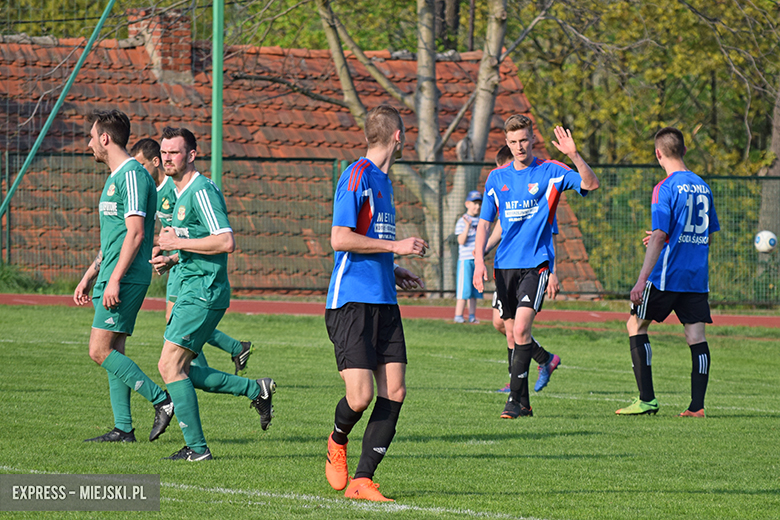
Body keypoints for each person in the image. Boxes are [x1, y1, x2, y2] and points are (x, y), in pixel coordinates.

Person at [151, 127, 276, 461]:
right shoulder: (178, 193)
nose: (167, 158)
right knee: (182, 370)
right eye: (164, 152)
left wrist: (178, 243)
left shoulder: (201, 190)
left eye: (174, 152)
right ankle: (255, 390)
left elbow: (225, 242)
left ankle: (198, 449)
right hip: (191, 286)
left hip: (203, 292)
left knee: (169, 366)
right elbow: (202, 243)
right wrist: (174, 258)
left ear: (191, 155)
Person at [324, 104, 426, 502]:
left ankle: (363, 480)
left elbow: (369, 242)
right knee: (360, 397)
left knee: (395, 390)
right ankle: (336, 440)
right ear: (397, 136)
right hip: (351, 301)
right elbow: (340, 238)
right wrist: (395, 246)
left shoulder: (384, 181)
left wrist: (393, 266)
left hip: (384, 300)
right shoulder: (357, 176)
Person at [474, 115, 599, 418]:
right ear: (507, 143)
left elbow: (590, 183)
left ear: (532, 139)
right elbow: (485, 223)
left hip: (536, 265)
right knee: (509, 331)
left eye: (524, 140)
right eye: (513, 142)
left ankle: (514, 403)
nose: (519, 147)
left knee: (520, 329)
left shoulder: (551, 172)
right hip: (504, 266)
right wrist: (478, 260)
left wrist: (573, 154)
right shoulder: (497, 179)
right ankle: (525, 400)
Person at [74, 110, 174, 443]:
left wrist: (114, 279)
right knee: (114, 349)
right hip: (114, 273)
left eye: (91, 136)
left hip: (126, 277)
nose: (89, 143)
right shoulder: (118, 175)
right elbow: (115, 238)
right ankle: (123, 428)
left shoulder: (132, 175)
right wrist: (91, 274)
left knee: (98, 350)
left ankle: (162, 400)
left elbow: (135, 234)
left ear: (105, 138)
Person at [616, 127, 719, 417]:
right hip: (696, 276)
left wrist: (640, 280)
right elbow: (707, 236)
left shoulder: (665, 187)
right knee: (696, 336)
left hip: (666, 274)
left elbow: (660, 234)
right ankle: (697, 407)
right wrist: (671, 237)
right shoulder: (703, 186)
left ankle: (646, 399)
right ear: (684, 150)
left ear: (658, 153)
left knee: (636, 325)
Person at [130, 138, 253, 375]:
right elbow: (177, 231)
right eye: (165, 152)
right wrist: (167, 252)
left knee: (175, 326)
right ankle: (225, 357)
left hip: (200, 277)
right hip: (182, 265)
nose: (167, 157)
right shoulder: (160, 190)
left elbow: (218, 238)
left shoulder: (191, 189)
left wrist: (173, 247)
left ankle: (221, 359)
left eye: (141, 166)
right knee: (175, 331)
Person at [489, 145, 561, 394]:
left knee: (514, 328)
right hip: (506, 266)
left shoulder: (538, 196)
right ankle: (544, 359)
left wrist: (553, 271)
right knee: (500, 323)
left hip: (531, 266)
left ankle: (516, 386)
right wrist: (480, 251)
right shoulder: (503, 188)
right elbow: (501, 226)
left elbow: (549, 236)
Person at [453, 190, 484, 323]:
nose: (477, 207)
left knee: (475, 289)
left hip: (477, 261)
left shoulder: (482, 221)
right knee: (463, 289)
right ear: (467, 204)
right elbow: (461, 241)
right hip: (465, 260)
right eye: (474, 203)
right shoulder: (462, 221)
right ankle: (458, 315)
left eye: (479, 204)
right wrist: (467, 227)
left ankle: (472, 316)